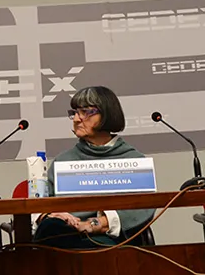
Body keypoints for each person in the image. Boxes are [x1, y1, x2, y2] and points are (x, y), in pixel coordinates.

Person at [34, 86, 154, 249]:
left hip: (110, 241)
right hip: (64, 236)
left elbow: (142, 208)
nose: (76, 119)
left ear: (106, 114)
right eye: (75, 113)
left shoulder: (133, 160)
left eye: (85, 112)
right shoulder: (63, 161)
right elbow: (41, 205)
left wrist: (95, 224)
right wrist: (50, 215)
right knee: (51, 229)